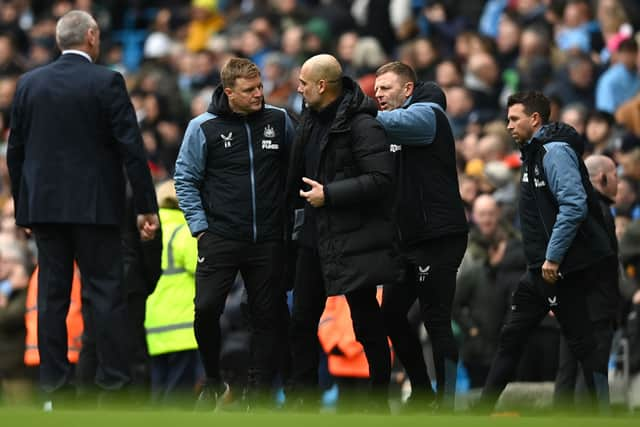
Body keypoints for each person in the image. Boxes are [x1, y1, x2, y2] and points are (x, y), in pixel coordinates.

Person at [6, 10, 159, 407]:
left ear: (59, 40)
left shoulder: (29, 83)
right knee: (104, 294)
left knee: (52, 298)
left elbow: (16, 151)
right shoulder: (107, 81)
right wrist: (145, 206)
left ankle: (55, 389)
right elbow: (132, 148)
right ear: (92, 36)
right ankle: (112, 386)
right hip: (96, 209)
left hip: (45, 211)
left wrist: (24, 210)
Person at [478, 91, 614, 412]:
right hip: (538, 270)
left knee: (582, 346)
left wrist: (553, 257)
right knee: (511, 339)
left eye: (514, 118)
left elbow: (574, 204)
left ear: (535, 119)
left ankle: (605, 415)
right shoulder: (531, 154)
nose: (508, 125)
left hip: (559, 269)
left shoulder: (554, 152)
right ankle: (480, 412)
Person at [174, 57, 294, 409]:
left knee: (265, 315)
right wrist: (200, 229)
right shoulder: (203, 127)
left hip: (268, 238)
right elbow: (185, 179)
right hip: (221, 236)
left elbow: (298, 164)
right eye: (250, 90)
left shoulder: (279, 120)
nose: (259, 94)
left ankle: (256, 393)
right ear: (229, 93)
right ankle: (213, 379)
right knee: (206, 308)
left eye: (260, 87)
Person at [286, 54, 399, 411]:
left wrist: (329, 195)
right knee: (302, 320)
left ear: (322, 85)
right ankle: (302, 401)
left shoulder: (363, 125)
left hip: (353, 238)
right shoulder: (307, 120)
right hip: (313, 237)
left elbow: (382, 179)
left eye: (304, 82)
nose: (298, 88)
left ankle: (379, 400)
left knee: (365, 322)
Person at [373, 61, 468, 411]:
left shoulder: (428, 115)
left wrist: (359, 114)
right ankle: (423, 390)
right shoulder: (390, 129)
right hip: (408, 241)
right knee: (391, 316)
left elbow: (388, 123)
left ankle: (445, 404)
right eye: (376, 90)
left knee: (436, 318)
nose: (378, 95)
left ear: (407, 89)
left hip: (438, 236)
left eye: (385, 88)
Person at [553, 154, 621, 409]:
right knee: (592, 378)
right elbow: (596, 262)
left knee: (567, 374)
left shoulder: (568, 206)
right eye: (616, 175)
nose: (619, 182)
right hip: (594, 308)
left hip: (571, 305)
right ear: (603, 177)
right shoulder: (598, 211)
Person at [145, 179, 202, 407]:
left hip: (155, 327)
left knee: (158, 391)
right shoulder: (184, 232)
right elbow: (202, 267)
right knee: (179, 396)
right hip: (183, 328)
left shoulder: (151, 231)